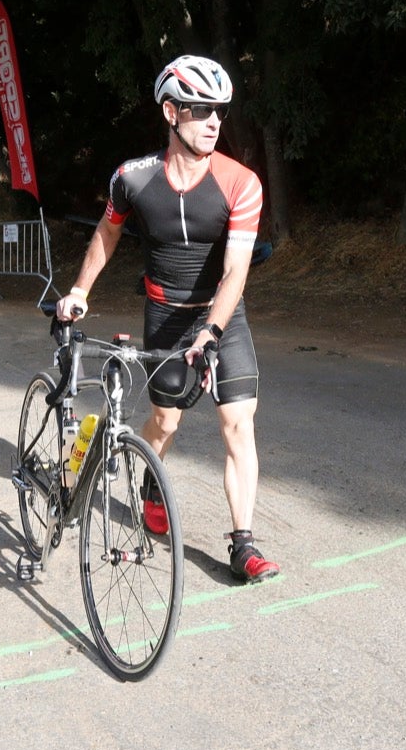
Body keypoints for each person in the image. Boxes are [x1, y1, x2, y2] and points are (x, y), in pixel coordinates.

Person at [54, 55, 279, 583]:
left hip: (222, 315)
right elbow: (108, 233)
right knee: (166, 421)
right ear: (171, 111)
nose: (213, 122)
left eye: (219, 111)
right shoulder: (132, 179)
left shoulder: (240, 183)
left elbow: (236, 271)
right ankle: (151, 480)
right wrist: (80, 290)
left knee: (238, 422)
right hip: (165, 313)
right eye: (201, 110)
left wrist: (212, 331)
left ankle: (243, 544)